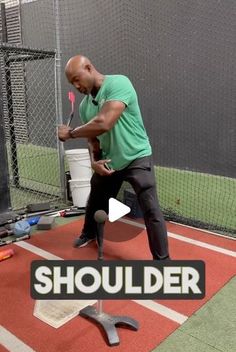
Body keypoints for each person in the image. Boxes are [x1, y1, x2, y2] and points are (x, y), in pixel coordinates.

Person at [58, 55, 169, 260]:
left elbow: (104, 122)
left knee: (151, 210)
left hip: (137, 156)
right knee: (95, 199)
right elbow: (93, 138)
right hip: (110, 161)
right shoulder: (84, 106)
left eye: (77, 78)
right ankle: (89, 233)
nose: (76, 85)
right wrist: (94, 162)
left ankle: (163, 262)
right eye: (71, 83)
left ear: (89, 68)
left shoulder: (119, 83)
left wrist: (71, 133)